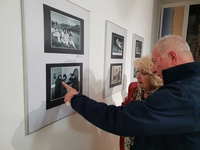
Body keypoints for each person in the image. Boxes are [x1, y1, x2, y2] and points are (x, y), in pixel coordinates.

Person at [62, 35, 200, 150]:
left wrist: (76, 99)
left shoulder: (183, 94)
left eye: (155, 62)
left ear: (173, 57)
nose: (154, 69)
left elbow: (122, 119)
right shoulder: (191, 85)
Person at [120, 55, 163, 150]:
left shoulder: (163, 96)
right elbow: (125, 107)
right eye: (138, 71)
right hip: (131, 142)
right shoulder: (134, 88)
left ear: (154, 76)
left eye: (143, 73)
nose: (137, 76)